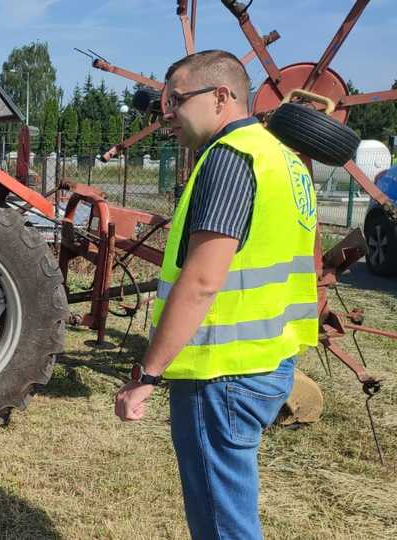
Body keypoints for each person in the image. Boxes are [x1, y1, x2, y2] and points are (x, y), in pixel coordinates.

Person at [114, 50, 318, 539]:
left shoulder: (229, 160)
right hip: (269, 360)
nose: (166, 114)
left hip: (221, 375)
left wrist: (147, 374)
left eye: (176, 100)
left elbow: (203, 281)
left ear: (221, 96)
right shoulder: (285, 160)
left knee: (223, 526)